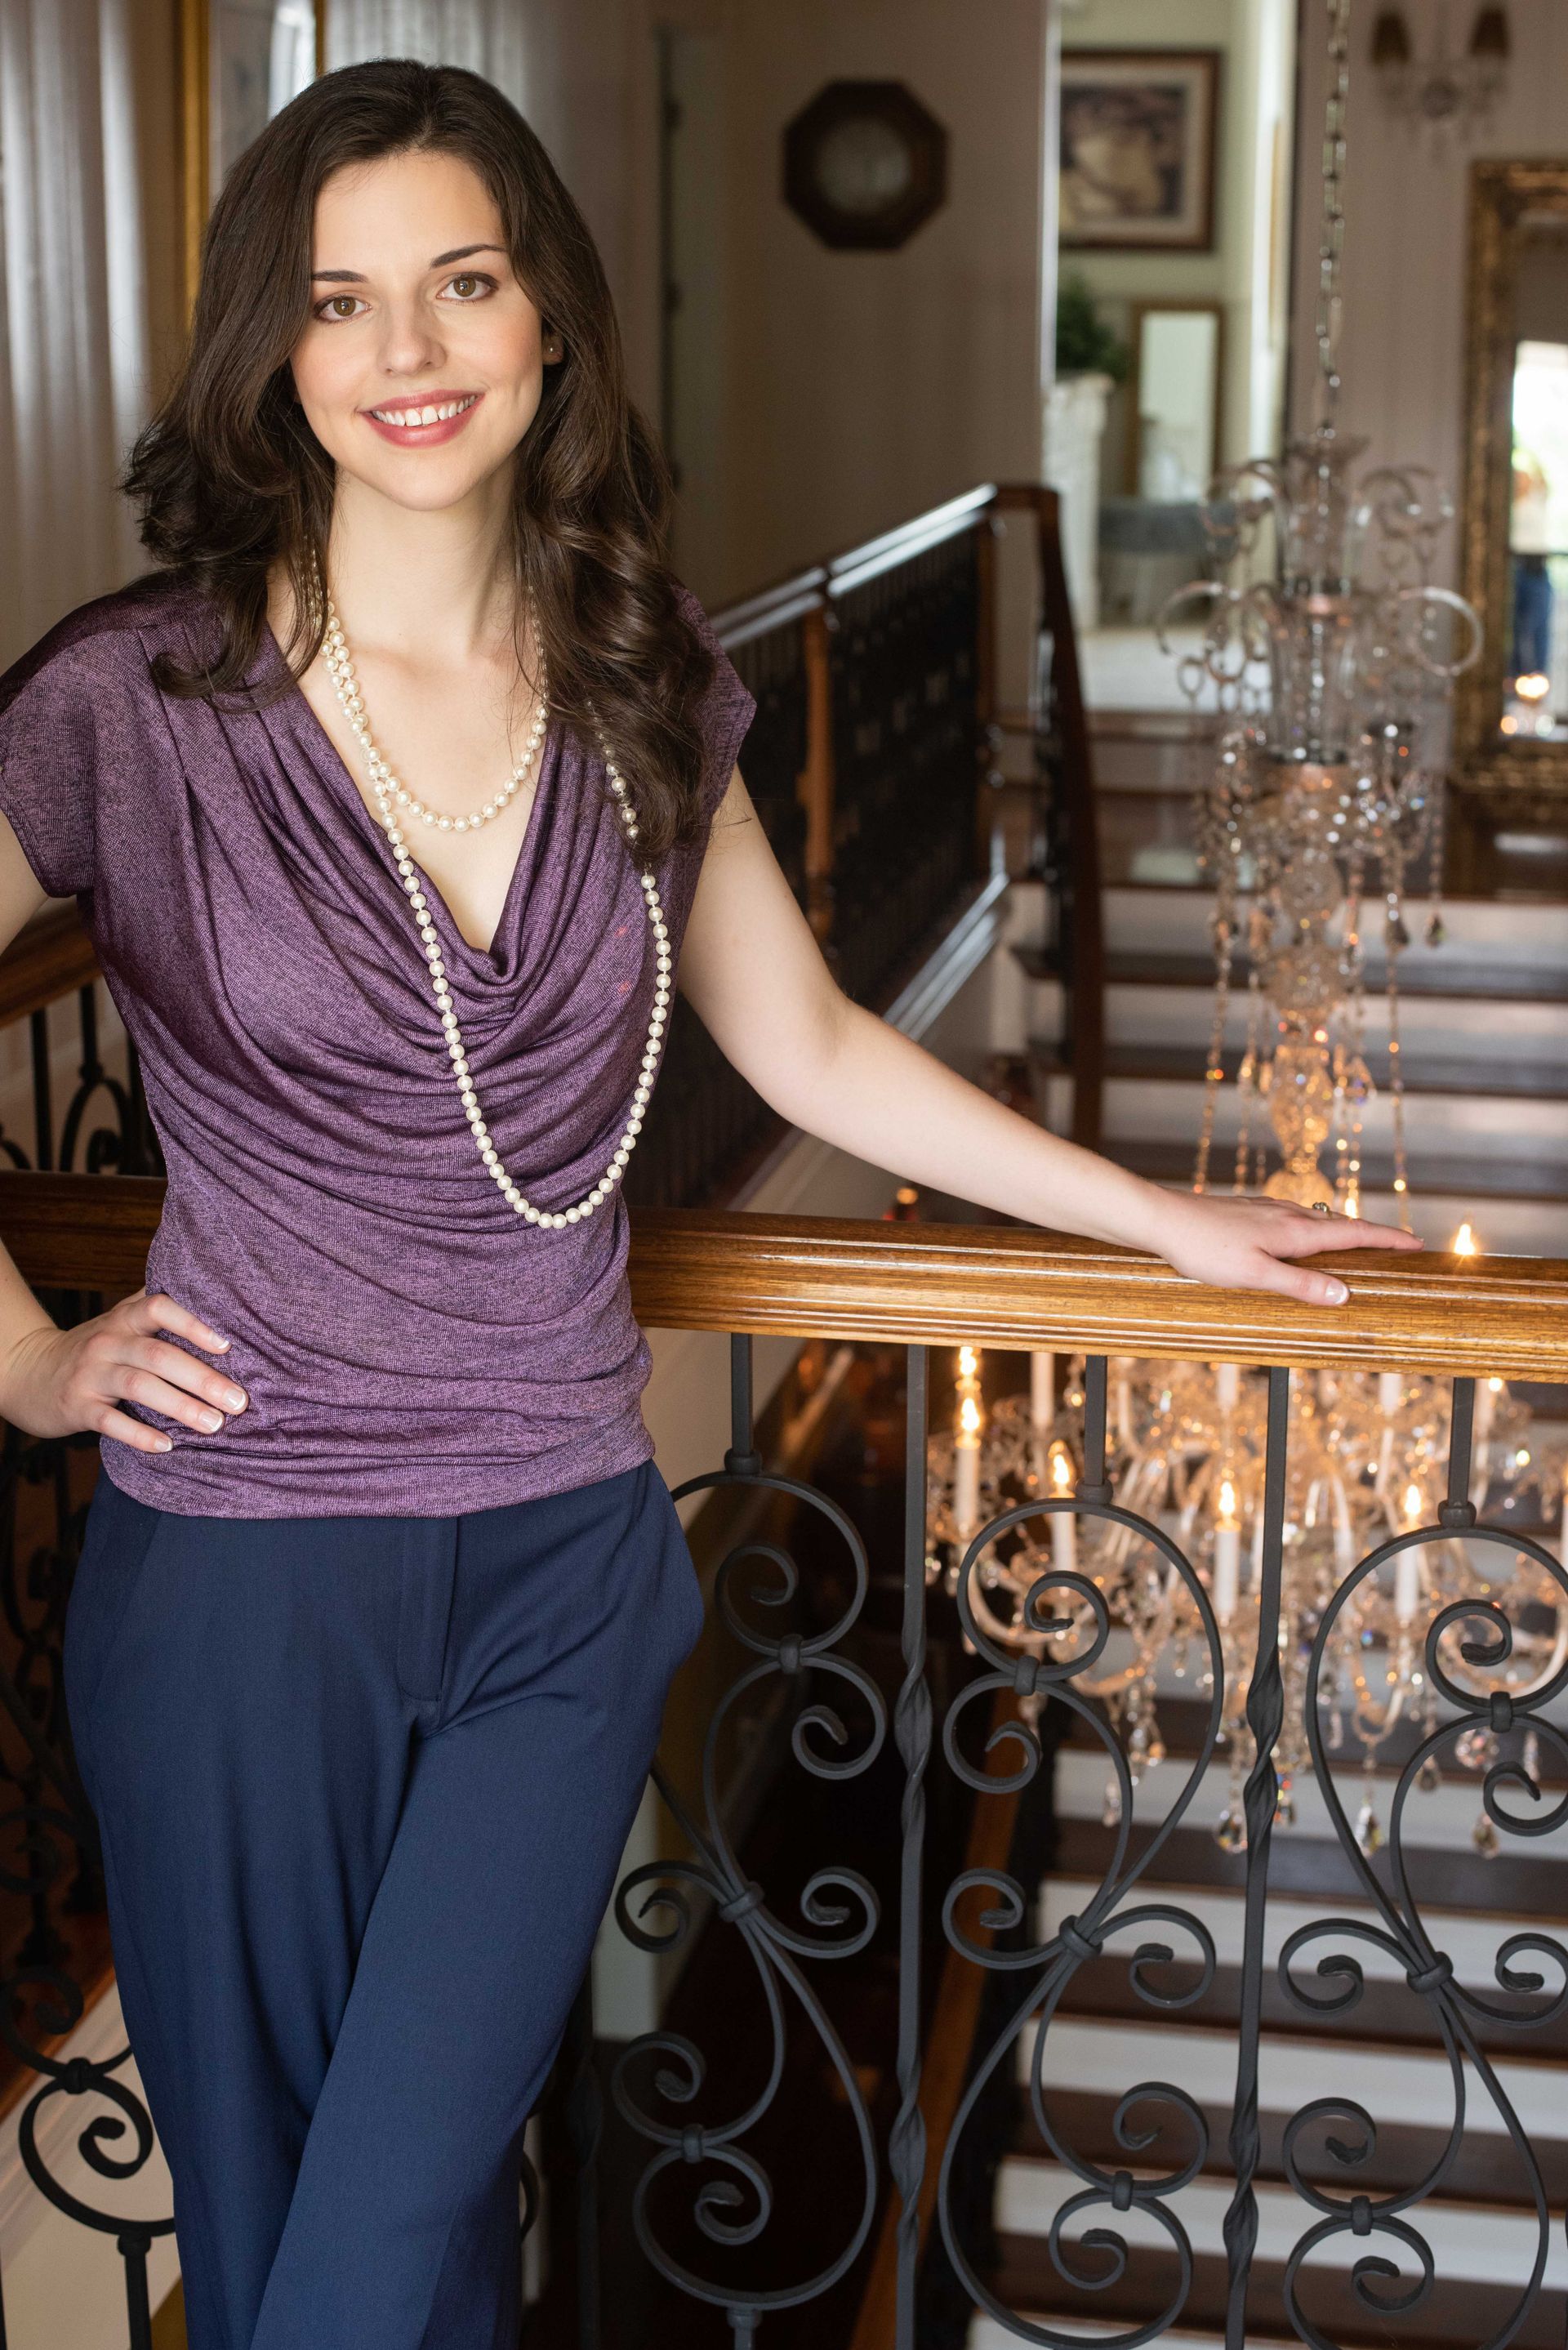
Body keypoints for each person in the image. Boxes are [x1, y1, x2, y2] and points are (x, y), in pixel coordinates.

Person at [0, 59, 1419, 2350]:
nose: (409, 351)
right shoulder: (137, 697)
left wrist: (1165, 1224)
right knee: (339, 2255)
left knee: (381, 2243)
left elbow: (819, 1044)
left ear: (548, 316)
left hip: (564, 1571)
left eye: (463, 283)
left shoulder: (642, 667)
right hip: (244, 1576)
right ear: (277, 351)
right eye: (342, 300)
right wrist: (27, 1356)